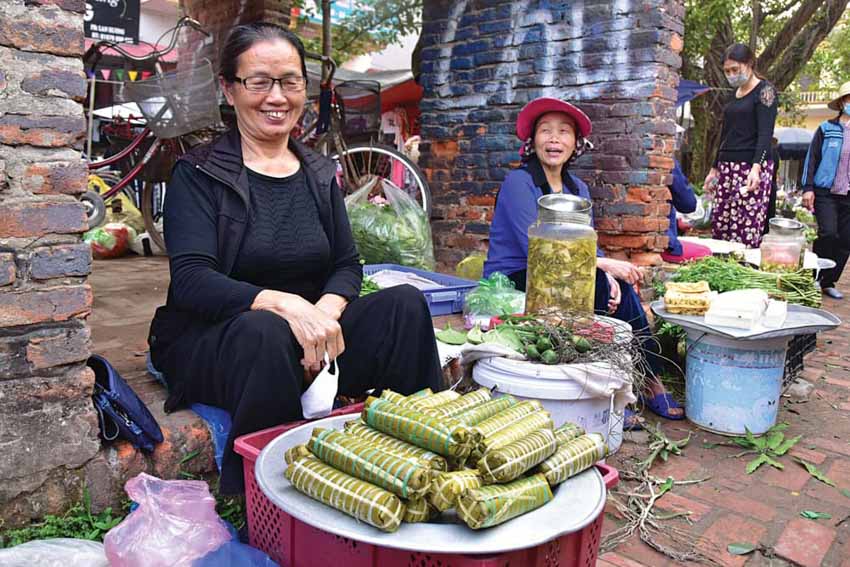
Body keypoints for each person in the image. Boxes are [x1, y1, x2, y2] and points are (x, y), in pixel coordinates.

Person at [147, 23, 443, 493]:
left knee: (404, 305)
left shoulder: (319, 173)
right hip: (222, 340)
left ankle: (425, 464)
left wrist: (323, 316)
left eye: (290, 81)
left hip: (308, 343)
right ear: (229, 89)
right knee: (265, 331)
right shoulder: (198, 174)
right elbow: (192, 280)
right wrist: (288, 307)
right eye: (259, 81)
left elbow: (346, 264)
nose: (276, 97)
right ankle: (266, 495)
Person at [483, 97, 683, 421]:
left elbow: (587, 245)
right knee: (599, 289)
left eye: (563, 132)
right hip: (518, 274)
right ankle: (619, 392)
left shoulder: (579, 189)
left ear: (575, 143)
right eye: (545, 131)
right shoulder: (518, 183)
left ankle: (638, 381)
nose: (554, 139)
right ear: (532, 141)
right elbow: (538, 246)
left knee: (616, 288)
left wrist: (605, 273)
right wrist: (602, 270)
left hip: (566, 272)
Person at [704, 43, 779, 248]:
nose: (731, 74)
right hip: (727, 167)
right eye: (727, 71)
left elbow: (765, 134)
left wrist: (757, 168)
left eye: (735, 69)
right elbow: (724, 133)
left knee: (744, 229)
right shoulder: (733, 94)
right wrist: (714, 167)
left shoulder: (766, 92)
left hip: (750, 168)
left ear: (749, 64)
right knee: (721, 226)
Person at [801, 80, 850, 300]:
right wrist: (807, 188)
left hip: (848, 194)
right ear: (842, 102)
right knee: (828, 233)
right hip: (825, 193)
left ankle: (829, 282)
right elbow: (812, 160)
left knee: (845, 241)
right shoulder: (826, 129)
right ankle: (816, 276)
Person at [661, 159, 711, 264]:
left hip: (621, 247)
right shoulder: (665, 160)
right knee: (705, 252)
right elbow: (688, 204)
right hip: (658, 244)